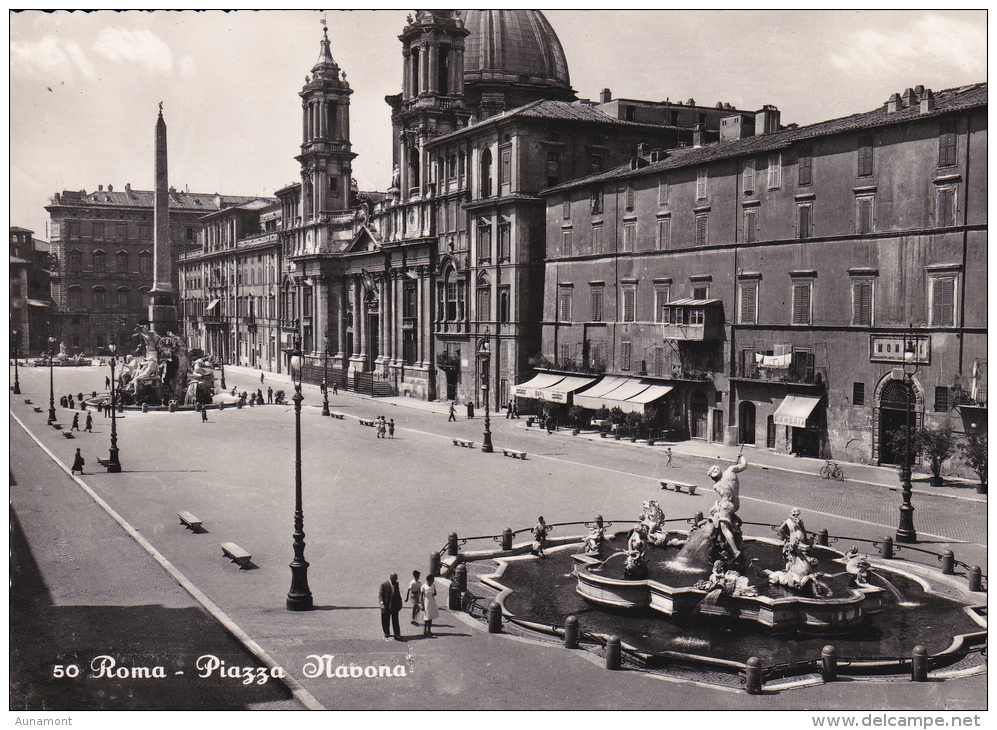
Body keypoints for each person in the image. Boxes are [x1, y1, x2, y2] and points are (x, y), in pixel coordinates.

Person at [378, 573, 403, 640]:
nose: (396, 581)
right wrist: (381, 604)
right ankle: (386, 632)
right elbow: (380, 595)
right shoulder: (384, 585)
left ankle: (397, 634)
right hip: (386, 605)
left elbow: (398, 593)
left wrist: (400, 601)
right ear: (391, 578)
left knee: (395, 620)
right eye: (395, 579)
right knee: (385, 620)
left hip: (394, 605)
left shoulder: (396, 584)